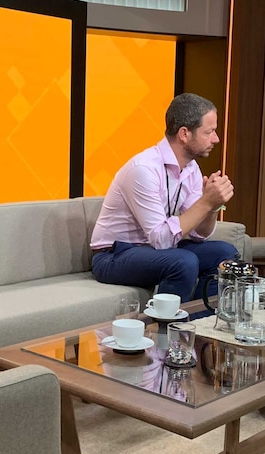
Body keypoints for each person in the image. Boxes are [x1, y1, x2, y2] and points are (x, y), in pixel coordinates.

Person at [90, 92, 239, 303]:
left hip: (152, 251)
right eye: (210, 132)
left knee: (225, 253)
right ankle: (167, 332)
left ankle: (200, 327)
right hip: (114, 255)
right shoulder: (144, 169)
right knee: (183, 261)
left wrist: (213, 206)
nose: (216, 139)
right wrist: (206, 202)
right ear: (184, 134)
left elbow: (199, 234)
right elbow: (161, 239)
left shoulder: (191, 169)